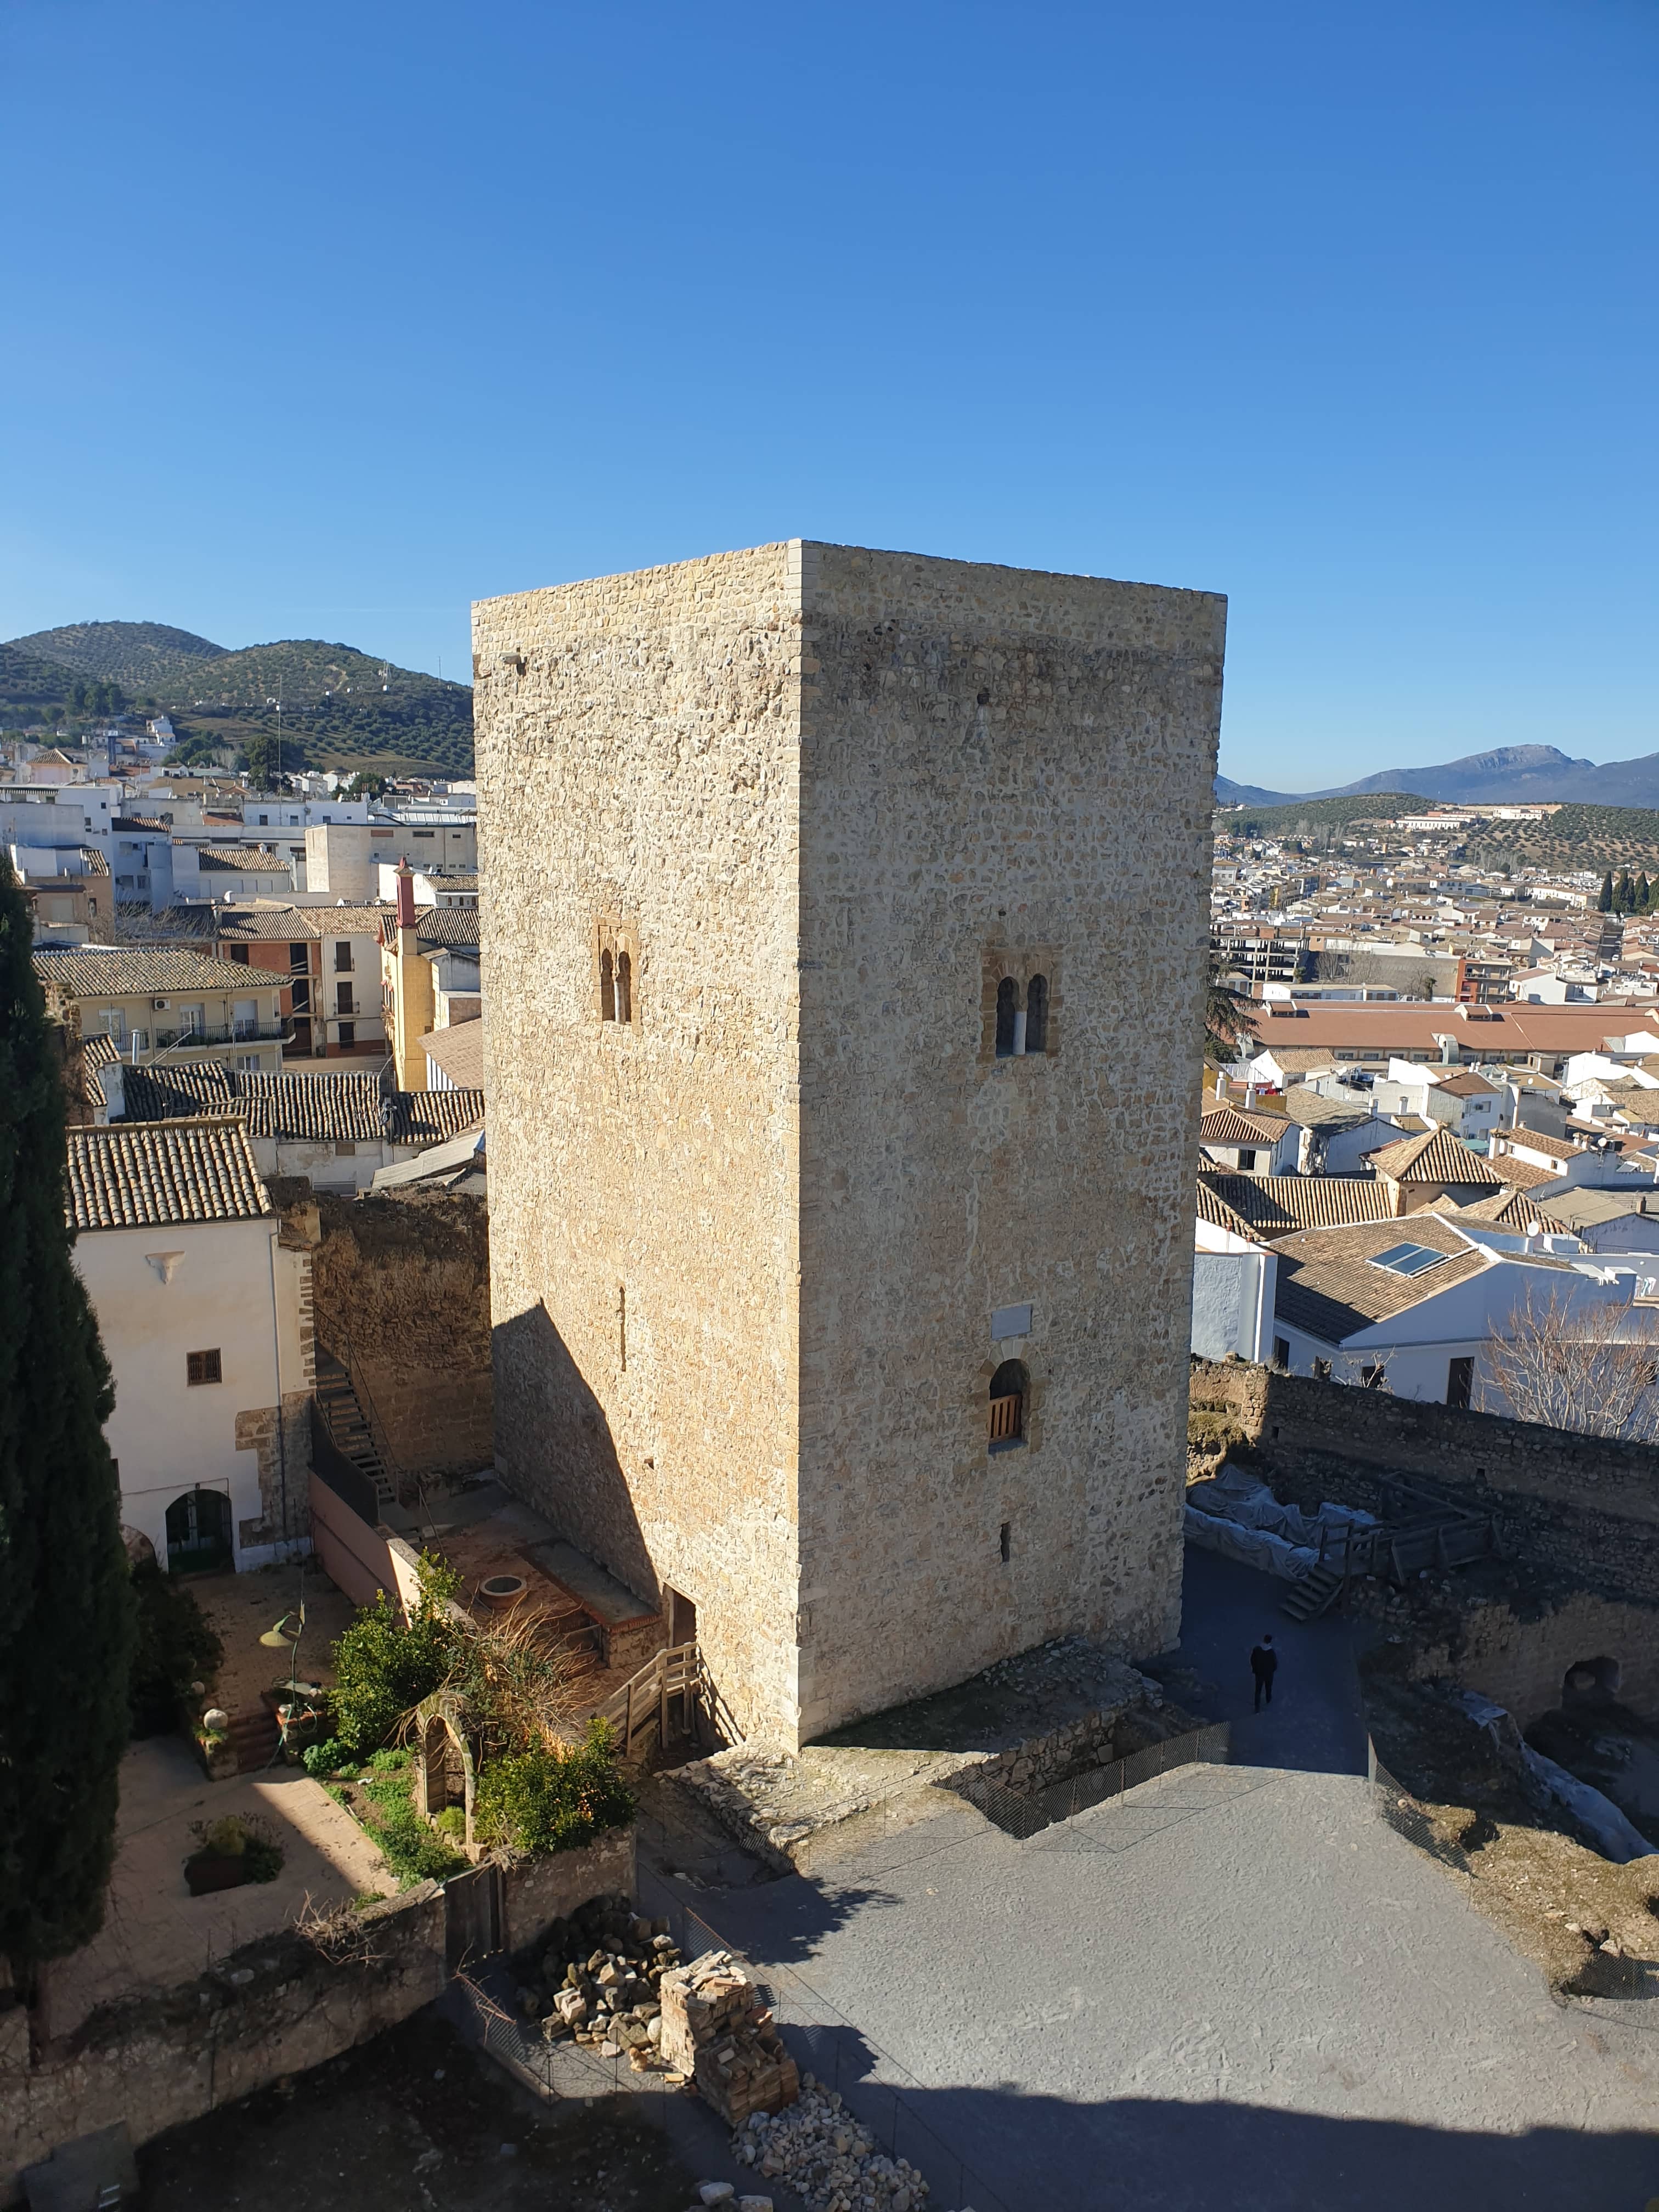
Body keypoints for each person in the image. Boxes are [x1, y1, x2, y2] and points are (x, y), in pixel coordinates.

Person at [1250, 1634, 1278, 1712]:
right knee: (1268, 1688)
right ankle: (1268, 1701)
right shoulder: (1272, 1652)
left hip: (1259, 1674)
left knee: (1258, 1691)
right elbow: (1275, 1665)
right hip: (1269, 1675)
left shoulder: (1257, 1650)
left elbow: (1252, 1660)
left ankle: (1257, 1708)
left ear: (1264, 1640)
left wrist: (1256, 1670)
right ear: (1270, 1642)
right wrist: (1271, 1671)